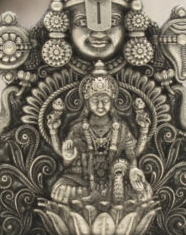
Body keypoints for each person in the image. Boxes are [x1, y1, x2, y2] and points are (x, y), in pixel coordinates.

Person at [48, 62, 151, 206]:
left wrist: (133, 170)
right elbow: (67, 162)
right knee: (61, 190)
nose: (100, 105)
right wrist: (67, 156)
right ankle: (102, 197)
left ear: (112, 101)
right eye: (95, 100)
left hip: (114, 178)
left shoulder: (121, 128)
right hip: (83, 180)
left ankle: (99, 197)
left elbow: (132, 155)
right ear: (87, 102)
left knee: (144, 191)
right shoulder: (78, 128)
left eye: (105, 100)